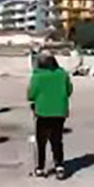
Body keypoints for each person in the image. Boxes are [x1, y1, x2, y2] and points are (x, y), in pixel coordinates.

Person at [28, 52, 73, 180]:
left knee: (41, 141)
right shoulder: (63, 74)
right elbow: (69, 90)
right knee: (57, 139)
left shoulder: (38, 76)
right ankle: (59, 166)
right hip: (59, 111)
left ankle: (40, 168)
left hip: (43, 111)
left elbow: (31, 95)